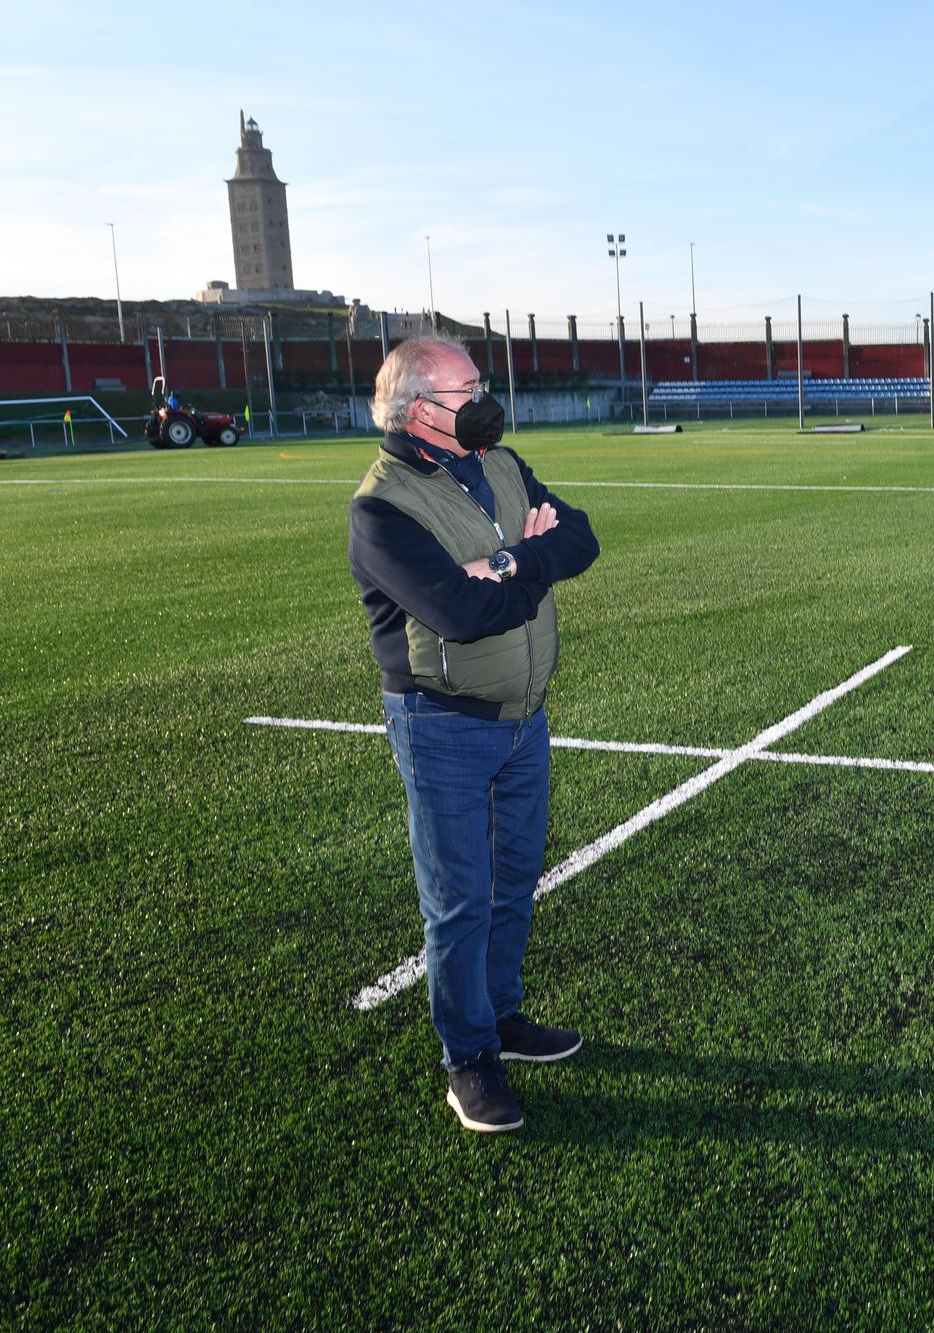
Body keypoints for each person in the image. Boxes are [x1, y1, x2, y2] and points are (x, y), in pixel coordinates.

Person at [348, 336, 600, 1133]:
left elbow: (581, 539)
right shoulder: (381, 507)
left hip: (525, 715)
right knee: (459, 900)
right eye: (469, 388)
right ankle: (469, 1058)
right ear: (421, 410)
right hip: (441, 724)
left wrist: (510, 564)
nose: (485, 398)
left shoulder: (501, 460)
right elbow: (458, 613)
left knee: (516, 877)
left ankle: (501, 1019)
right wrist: (528, 560)